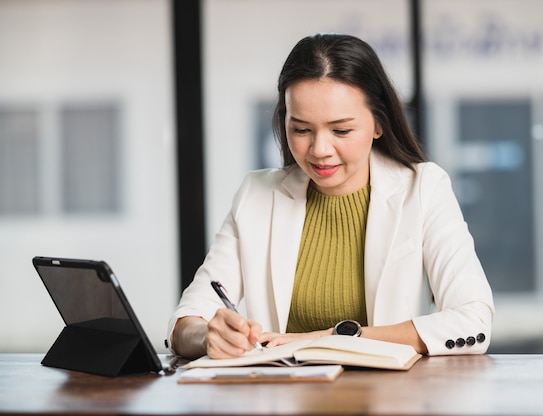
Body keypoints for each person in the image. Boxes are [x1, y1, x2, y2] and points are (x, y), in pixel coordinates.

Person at [167, 33, 494, 360]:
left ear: (378, 124)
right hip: (281, 399)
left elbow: (473, 322)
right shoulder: (256, 196)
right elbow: (185, 323)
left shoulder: (423, 189)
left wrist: (330, 339)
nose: (320, 150)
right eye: (301, 130)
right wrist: (210, 336)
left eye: (341, 130)